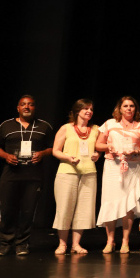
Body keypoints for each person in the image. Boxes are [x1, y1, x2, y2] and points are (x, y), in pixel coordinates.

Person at [0, 95, 53, 256]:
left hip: (33, 176)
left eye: (30, 104)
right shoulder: (6, 125)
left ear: (35, 108)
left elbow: (53, 148)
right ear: (17, 108)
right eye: (23, 104)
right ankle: (5, 244)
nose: (27, 107)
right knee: (6, 210)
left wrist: (42, 153)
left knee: (28, 211)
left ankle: (22, 244)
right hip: (11, 175)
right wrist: (6, 156)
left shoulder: (44, 126)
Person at [95, 97, 140, 254]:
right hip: (113, 167)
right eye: (125, 106)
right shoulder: (109, 124)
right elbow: (98, 145)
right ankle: (110, 241)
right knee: (110, 202)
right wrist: (109, 146)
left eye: (132, 106)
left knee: (129, 205)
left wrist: (137, 151)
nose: (129, 108)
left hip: (133, 168)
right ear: (119, 109)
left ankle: (125, 241)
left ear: (135, 109)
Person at [51, 99, 99, 255]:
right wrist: (68, 158)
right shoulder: (66, 128)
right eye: (85, 108)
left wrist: (97, 155)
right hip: (67, 171)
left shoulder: (96, 129)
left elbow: (99, 149)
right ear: (77, 111)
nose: (89, 111)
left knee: (84, 209)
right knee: (64, 207)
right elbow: (55, 150)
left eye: (91, 109)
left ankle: (76, 244)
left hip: (89, 172)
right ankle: (62, 244)